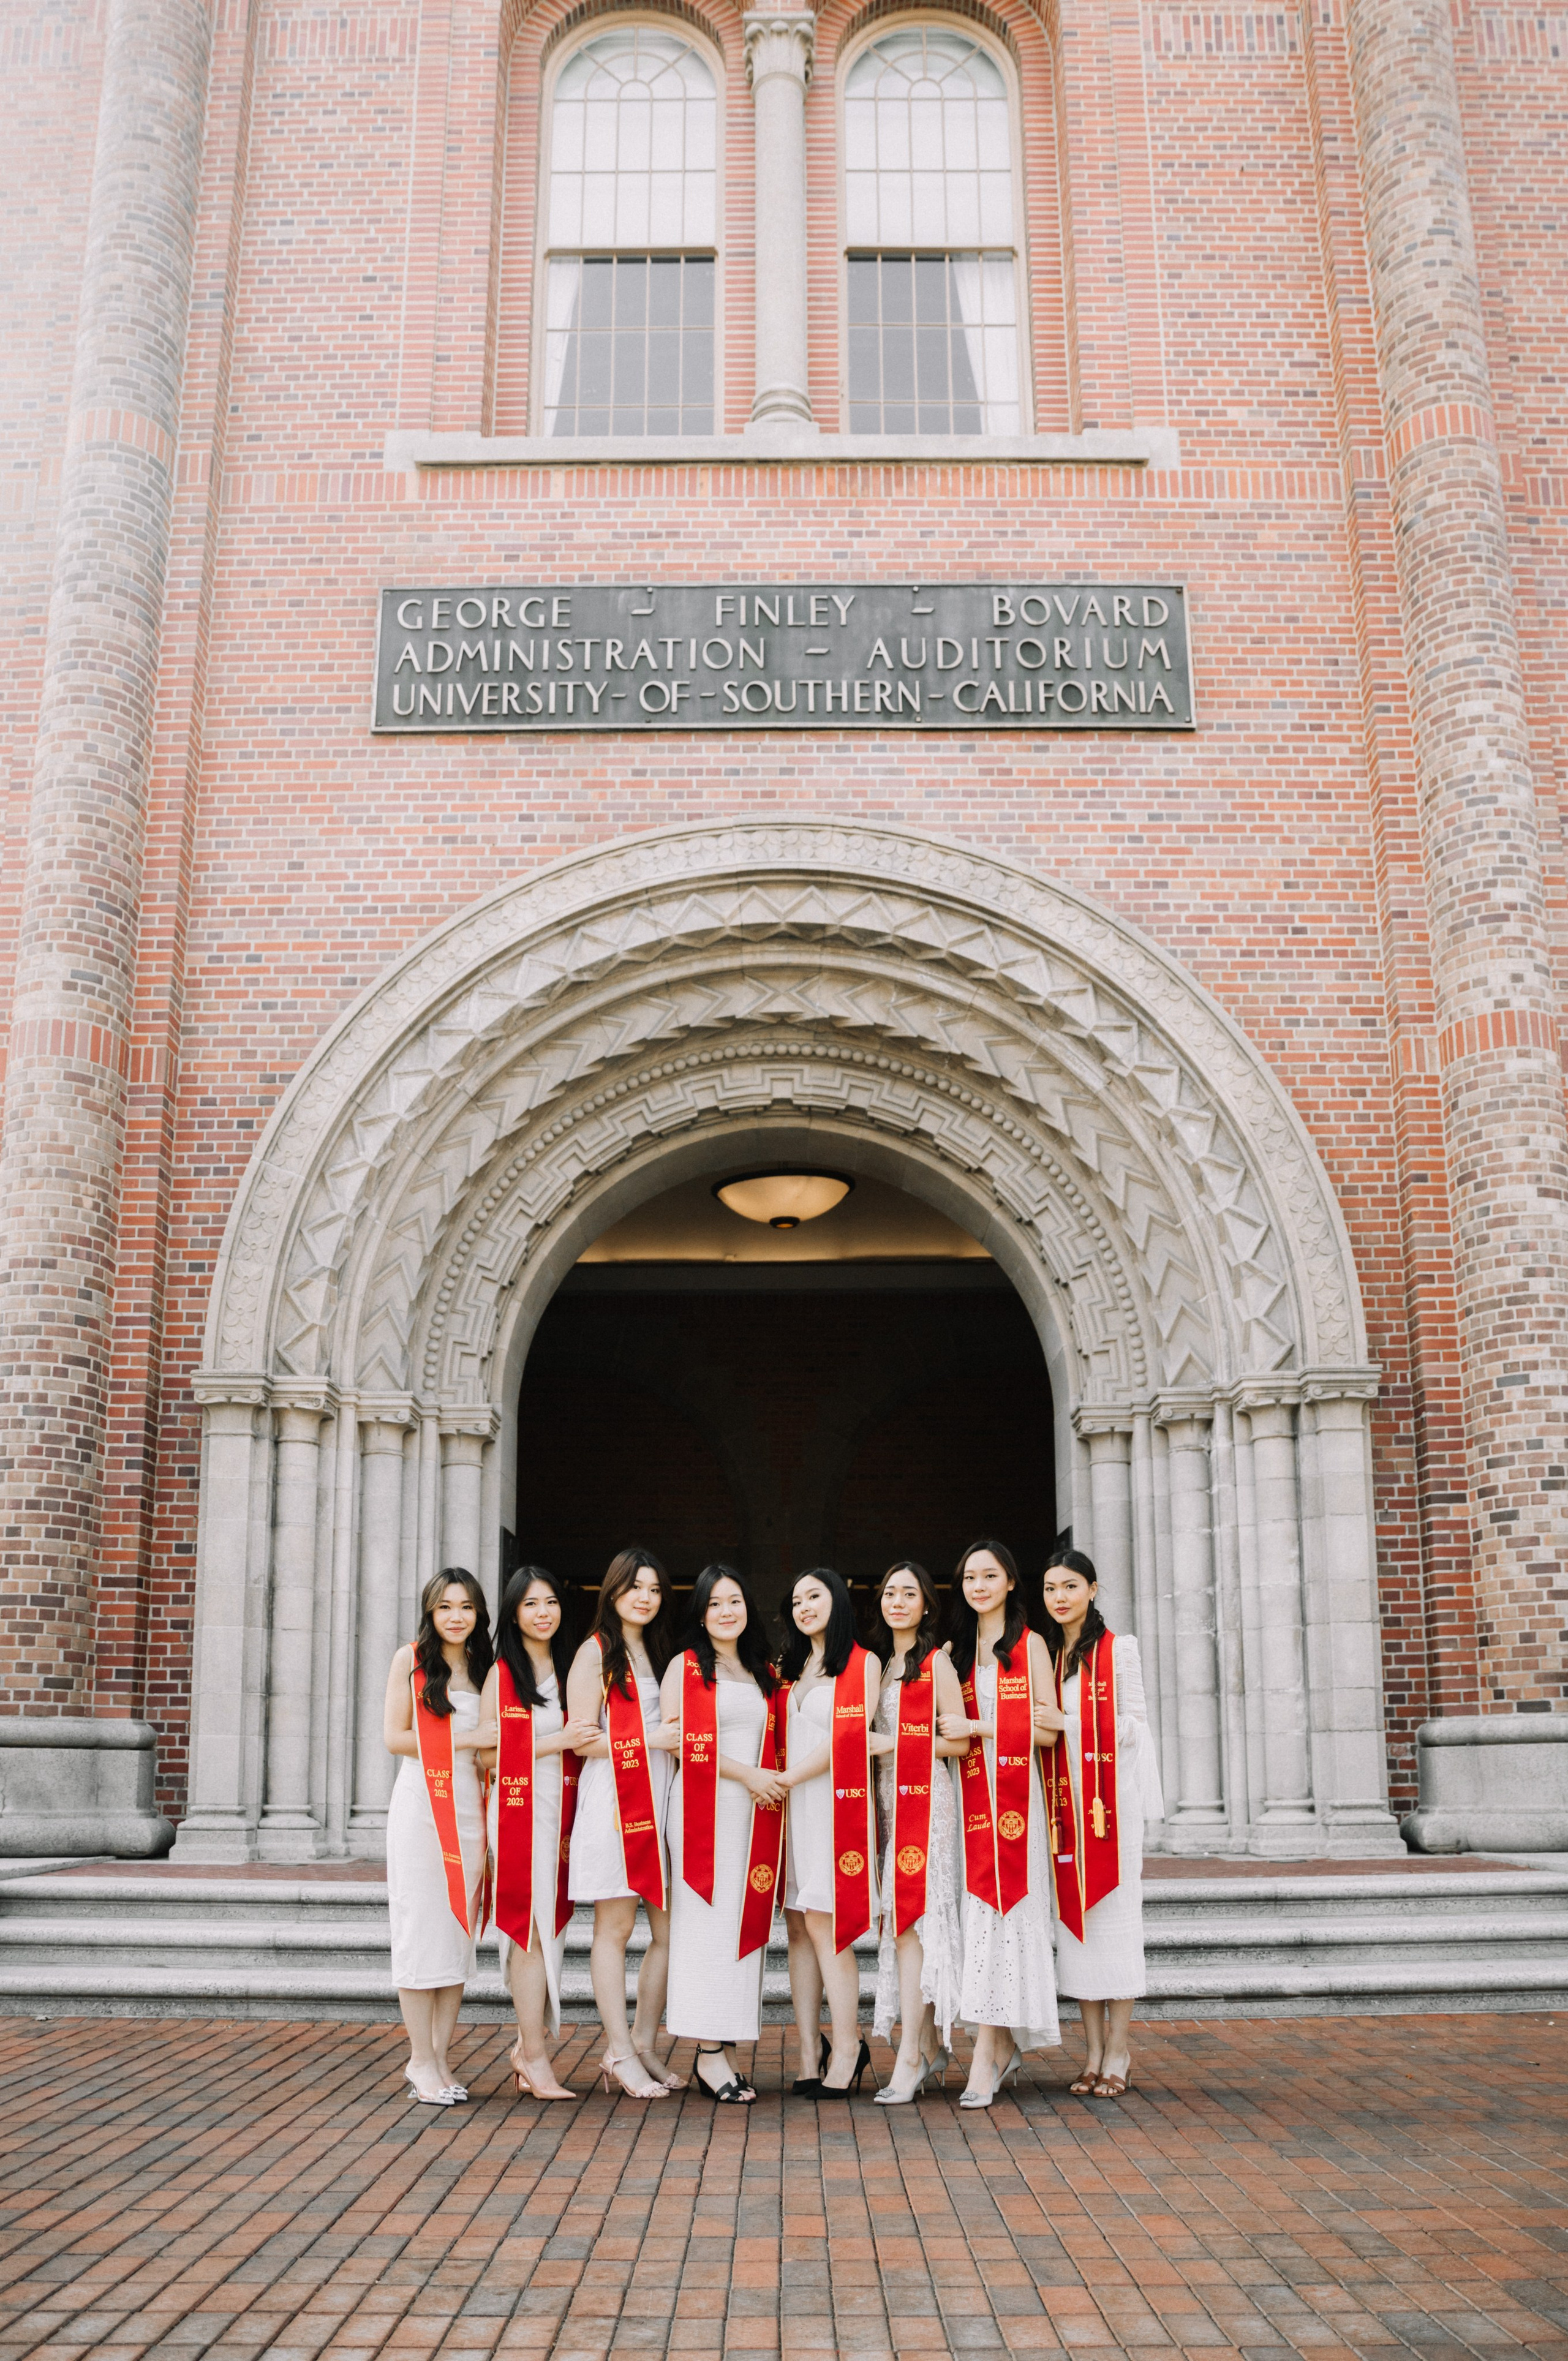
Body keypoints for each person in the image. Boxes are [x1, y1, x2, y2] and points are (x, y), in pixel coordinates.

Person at [940, 1537, 1066, 2108]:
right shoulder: (957, 1652)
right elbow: (946, 1730)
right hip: (968, 1798)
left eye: (990, 1576)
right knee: (982, 1919)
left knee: (1005, 1913)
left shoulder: (1030, 1645)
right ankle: (1004, 2040)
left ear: (1012, 1582)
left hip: (1016, 1804)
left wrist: (981, 1729)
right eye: (970, 1577)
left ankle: (985, 2061)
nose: (979, 1586)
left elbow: (1046, 1732)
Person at [658, 1564, 786, 2103]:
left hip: (753, 1812)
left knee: (740, 1926)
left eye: (734, 1600)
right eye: (715, 1604)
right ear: (701, 1613)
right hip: (703, 1809)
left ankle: (726, 2044)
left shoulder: (761, 1670)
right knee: (707, 1924)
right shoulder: (685, 1666)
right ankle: (709, 2051)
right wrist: (748, 1775)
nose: (726, 1611)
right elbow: (675, 1739)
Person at [1039, 1546, 1163, 2100]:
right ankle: (1090, 2052)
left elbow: (1135, 1728)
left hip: (1110, 1809)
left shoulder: (1120, 1651)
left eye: (1069, 1586)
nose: (1059, 1597)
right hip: (1063, 1807)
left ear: (1093, 1589)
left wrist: (1067, 1722)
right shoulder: (1048, 1657)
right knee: (1077, 1930)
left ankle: (1119, 2048)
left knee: (1114, 1925)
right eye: (1050, 1588)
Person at [565, 1547, 682, 2099]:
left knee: (667, 1931)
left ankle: (644, 2040)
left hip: (662, 1800)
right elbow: (581, 1738)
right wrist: (651, 1739)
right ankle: (617, 2049)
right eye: (636, 1586)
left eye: (655, 1588)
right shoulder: (595, 1653)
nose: (646, 1597)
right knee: (614, 1930)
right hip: (616, 1803)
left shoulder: (658, 1651)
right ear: (613, 1591)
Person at [479, 1562, 597, 2101]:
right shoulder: (503, 1674)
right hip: (520, 1811)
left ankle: (529, 2049)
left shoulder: (573, 1668)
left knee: (552, 1930)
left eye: (550, 1601)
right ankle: (532, 2053)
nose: (543, 1612)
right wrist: (558, 1741)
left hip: (567, 1811)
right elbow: (485, 1754)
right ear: (513, 1612)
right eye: (530, 1604)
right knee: (526, 1929)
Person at [383, 1567, 494, 2106]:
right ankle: (419, 2059)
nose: (457, 1616)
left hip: (469, 1812)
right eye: (446, 1606)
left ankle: (442, 2056)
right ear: (431, 1611)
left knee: (457, 1933)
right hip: (422, 1809)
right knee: (419, 1930)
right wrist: (470, 1737)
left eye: (467, 1606)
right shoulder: (412, 1659)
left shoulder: (485, 1667)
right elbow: (394, 1737)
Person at [777, 1565, 890, 2098]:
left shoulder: (863, 1665)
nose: (803, 1607)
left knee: (827, 1925)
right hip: (788, 1808)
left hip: (830, 1804)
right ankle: (808, 2052)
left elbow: (848, 1739)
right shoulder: (793, 1669)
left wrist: (787, 1778)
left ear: (838, 1599)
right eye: (796, 1600)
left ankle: (848, 2048)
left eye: (814, 1595)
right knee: (797, 1927)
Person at [870, 1559, 968, 2104]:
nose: (899, 1601)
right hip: (889, 1800)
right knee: (902, 1921)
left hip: (928, 1800)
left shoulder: (936, 1664)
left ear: (927, 1603)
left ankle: (912, 2053)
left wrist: (894, 1747)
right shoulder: (883, 1665)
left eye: (910, 1592)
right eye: (890, 1592)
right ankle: (925, 2044)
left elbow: (957, 1744)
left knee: (915, 1922)